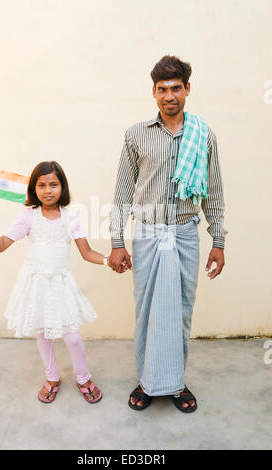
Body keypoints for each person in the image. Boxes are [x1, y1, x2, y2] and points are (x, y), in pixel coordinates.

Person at [108, 55, 228, 413]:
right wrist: (117, 242)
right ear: (154, 92)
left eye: (176, 88)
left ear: (187, 89)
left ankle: (175, 383)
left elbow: (215, 192)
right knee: (146, 310)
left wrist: (218, 241)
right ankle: (147, 381)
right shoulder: (136, 135)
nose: (169, 95)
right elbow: (122, 193)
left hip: (185, 235)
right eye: (162, 89)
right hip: (146, 234)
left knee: (180, 311)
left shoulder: (202, 135)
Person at [0, 161, 119, 404]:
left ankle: (83, 377)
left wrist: (110, 261)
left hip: (61, 285)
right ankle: (52, 377)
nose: (48, 190)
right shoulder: (28, 217)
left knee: (71, 336)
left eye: (53, 184)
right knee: (43, 334)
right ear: (34, 188)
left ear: (62, 187)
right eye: (41, 185)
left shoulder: (71, 217)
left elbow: (87, 252)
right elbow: (0, 246)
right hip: (36, 285)